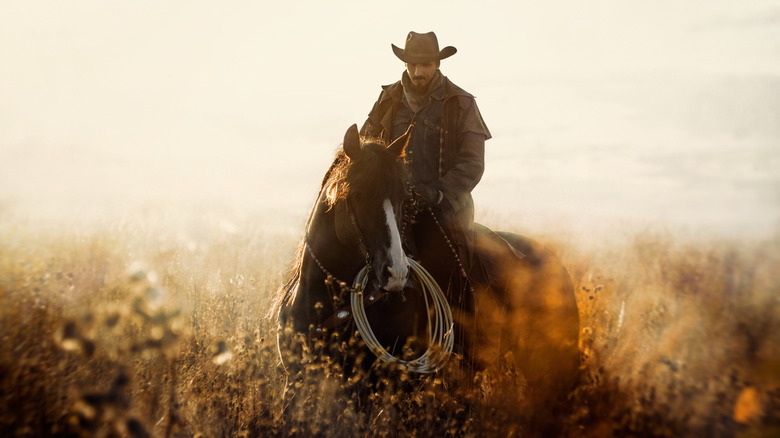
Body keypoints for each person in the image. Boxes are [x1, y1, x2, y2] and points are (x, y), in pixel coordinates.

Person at [360, 31, 491, 272]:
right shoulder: (387, 99)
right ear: (405, 64)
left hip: (445, 211)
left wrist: (436, 194)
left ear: (438, 63)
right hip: (393, 208)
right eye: (413, 65)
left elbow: (472, 163)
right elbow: (365, 147)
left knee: (455, 272)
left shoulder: (462, 102)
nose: (418, 72)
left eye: (426, 65)